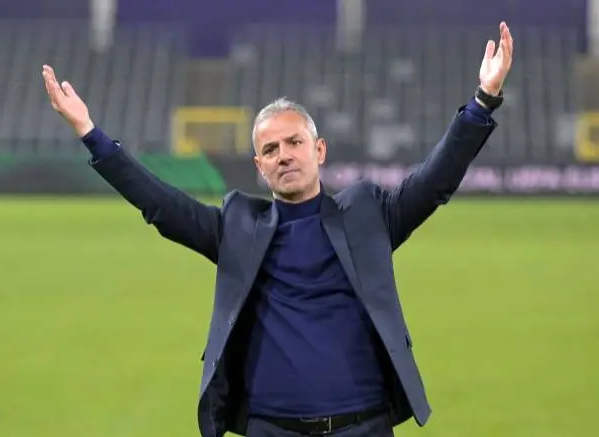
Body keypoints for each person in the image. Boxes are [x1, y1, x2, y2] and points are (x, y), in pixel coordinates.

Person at [42, 22, 513, 437]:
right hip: (271, 429)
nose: (283, 155)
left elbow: (434, 182)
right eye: (270, 150)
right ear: (259, 167)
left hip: (363, 426)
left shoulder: (368, 214)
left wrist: (483, 101)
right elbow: (161, 205)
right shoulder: (237, 227)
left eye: (294, 142)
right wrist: (90, 133)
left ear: (319, 150)